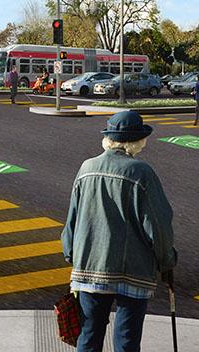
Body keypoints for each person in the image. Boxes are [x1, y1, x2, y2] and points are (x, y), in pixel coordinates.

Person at [62, 111, 176, 352]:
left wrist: (71, 252)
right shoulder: (141, 173)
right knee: (126, 341)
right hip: (132, 271)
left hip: (90, 267)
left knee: (88, 337)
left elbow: (73, 217)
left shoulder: (87, 168)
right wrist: (166, 261)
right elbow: (158, 225)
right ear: (137, 141)